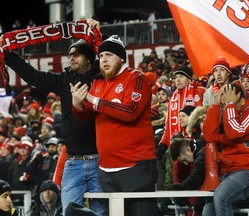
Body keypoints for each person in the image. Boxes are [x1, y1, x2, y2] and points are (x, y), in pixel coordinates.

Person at [0, 19, 107, 216]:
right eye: (70, 55)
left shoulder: (103, 77)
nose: (71, 57)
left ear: (90, 58)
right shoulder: (63, 81)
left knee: (101, 213)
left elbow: (111, 56)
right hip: (73, 162)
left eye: (76, 54)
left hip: (100, 161)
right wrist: (8, 55)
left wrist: (99, 36)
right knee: (69, 212)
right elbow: (34, 76)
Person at [71, 35, 159, 216]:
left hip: (135, 166)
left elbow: (130, 112)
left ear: (121, 58)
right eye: (101, 56)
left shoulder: (136, 78)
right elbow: (88, 115)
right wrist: (78, 104)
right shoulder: (98, 82)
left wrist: (94, 100)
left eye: (109, 55)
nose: (103, 60)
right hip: (106, 169)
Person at [202, 83, 249, 216]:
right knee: (209, 205)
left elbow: (235, 132)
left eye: (230, 101)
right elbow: (209, 136)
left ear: (242, 100)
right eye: (223, 104)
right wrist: (216, 106)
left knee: (221, 196)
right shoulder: (227, 114)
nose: (225, 108)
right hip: (230, 171)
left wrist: (229, 105)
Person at [156, 64, 206, 161]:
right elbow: (169, 126)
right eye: (176, 77)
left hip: (196, 140)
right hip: (176, 140)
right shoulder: (173, 99)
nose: (177, 80)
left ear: (189, 79)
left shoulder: (200, 92)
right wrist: (163, 144)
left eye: (181, 76)